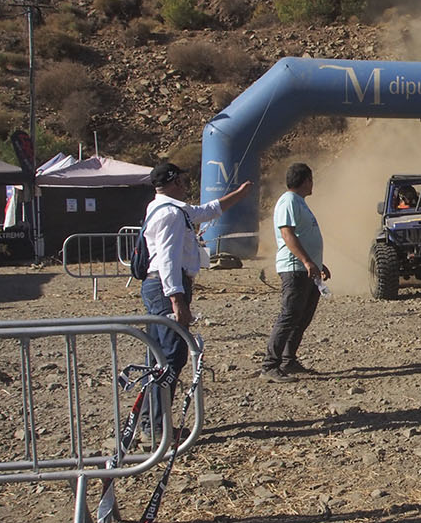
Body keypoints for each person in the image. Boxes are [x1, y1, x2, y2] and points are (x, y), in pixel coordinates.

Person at [140, 162, 252, 376]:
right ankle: (156, 407)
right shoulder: (171, 214)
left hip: (158, 286)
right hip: (167, 287)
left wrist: (238, 195)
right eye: (182, 179)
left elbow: (207, 211)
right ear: (176, 181)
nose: (185, 184)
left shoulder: (164, 207)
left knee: (157, 355)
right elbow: (167, 258)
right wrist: (176, 298)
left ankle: (152, 407)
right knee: (172, 355)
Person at [262, 162, 329, 382]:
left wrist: (318, 263)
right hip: (295, 269)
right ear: (306, 180)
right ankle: (270, 365)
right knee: (289, 315)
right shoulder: (289, 201)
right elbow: (287, 234)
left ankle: (288, 360)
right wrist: (307, 261)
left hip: (306, 268)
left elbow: (303, 235)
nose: (313, 184)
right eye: (312, 179)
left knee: (302, 316)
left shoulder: (299, 202)